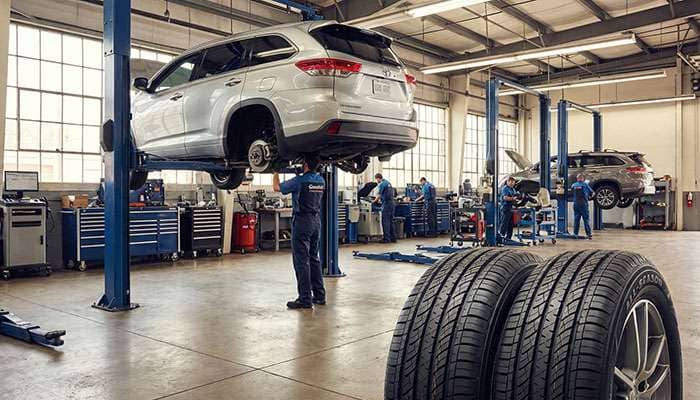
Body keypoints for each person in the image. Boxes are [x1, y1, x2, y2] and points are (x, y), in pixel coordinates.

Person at [273, 154, 326, 309]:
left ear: (305, 164)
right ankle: (319, 296)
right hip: (316, 221)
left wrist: (275, 171)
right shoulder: (321, 180)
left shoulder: (299, 181)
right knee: (314, 258)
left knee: (301, 261)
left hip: (302, 222)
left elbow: (277, 188)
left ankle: (304, 299)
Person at [373, 173, 396, 243]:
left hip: (386, 204)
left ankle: (386, 239)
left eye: (376, 179)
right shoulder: (388, 183)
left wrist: (373, 201)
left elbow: (379, 195)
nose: (377, 181)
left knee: (385, 221)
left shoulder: (382, 184)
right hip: (392, 204)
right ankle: (393, 238)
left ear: (378, 178)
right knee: (391, 221)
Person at [571, 173, 595, 240]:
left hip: (576, 204)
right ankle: (589, 234)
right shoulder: (585, 185)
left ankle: (575, 234)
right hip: (584, 204)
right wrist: (590, 197)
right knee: (586, 220)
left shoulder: (573, 185)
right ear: (582, 178)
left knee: (576, 220)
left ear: (577, 178)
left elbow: (571, 192)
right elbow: (593, 193)